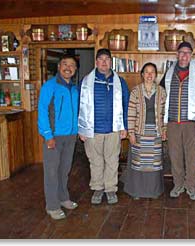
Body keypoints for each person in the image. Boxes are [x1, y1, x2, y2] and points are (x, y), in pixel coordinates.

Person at [160, 41, 195, 201]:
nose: (184, 56)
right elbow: (161, 95)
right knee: (174, 155)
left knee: (191, 156)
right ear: (177, 54)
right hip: (173, 122)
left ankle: (191, 186)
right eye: (182, 52)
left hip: (191, 122)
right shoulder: (168, 74)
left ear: (192, 56)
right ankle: (178, 184)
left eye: (188, 53)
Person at [78, 48, 129, 205]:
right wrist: (81, 128)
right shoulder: (86, 81)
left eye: (107, 59)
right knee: (95, 161)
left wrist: (124, 126)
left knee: (112, 160)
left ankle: (110, 189)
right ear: (96, 62)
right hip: (92, 129)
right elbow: (78, 105)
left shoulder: (120, 82)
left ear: (111, 62)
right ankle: (98, 188)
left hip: (113, 128)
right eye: (101, 59)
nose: (104, 62)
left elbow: (126, 105)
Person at [38, 54, 79, 220]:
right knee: (52, 172)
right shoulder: (50, 86)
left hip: (71, 136)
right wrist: (48, 135)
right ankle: (52, 205)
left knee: (64, 170)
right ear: (59, 67)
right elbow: (42, 112)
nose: (68, 67)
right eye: (65, 64)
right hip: (54, 137)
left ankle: (63, 198)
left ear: (75, 70)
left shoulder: (75, 89)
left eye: (72, 65)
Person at [123, 62, 167, 199]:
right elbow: (130, 113)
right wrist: (131, 133)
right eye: (146, 72)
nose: (149, 75)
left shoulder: (161, 91)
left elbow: (165, 114)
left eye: (152, 72)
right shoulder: (136, 91)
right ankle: (137, 191)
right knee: (138, 163)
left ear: (156, 75)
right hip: (139, 132)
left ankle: (153, 191)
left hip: (155, 132)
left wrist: (164, 130)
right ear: (142, 75)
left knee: (154, 163)